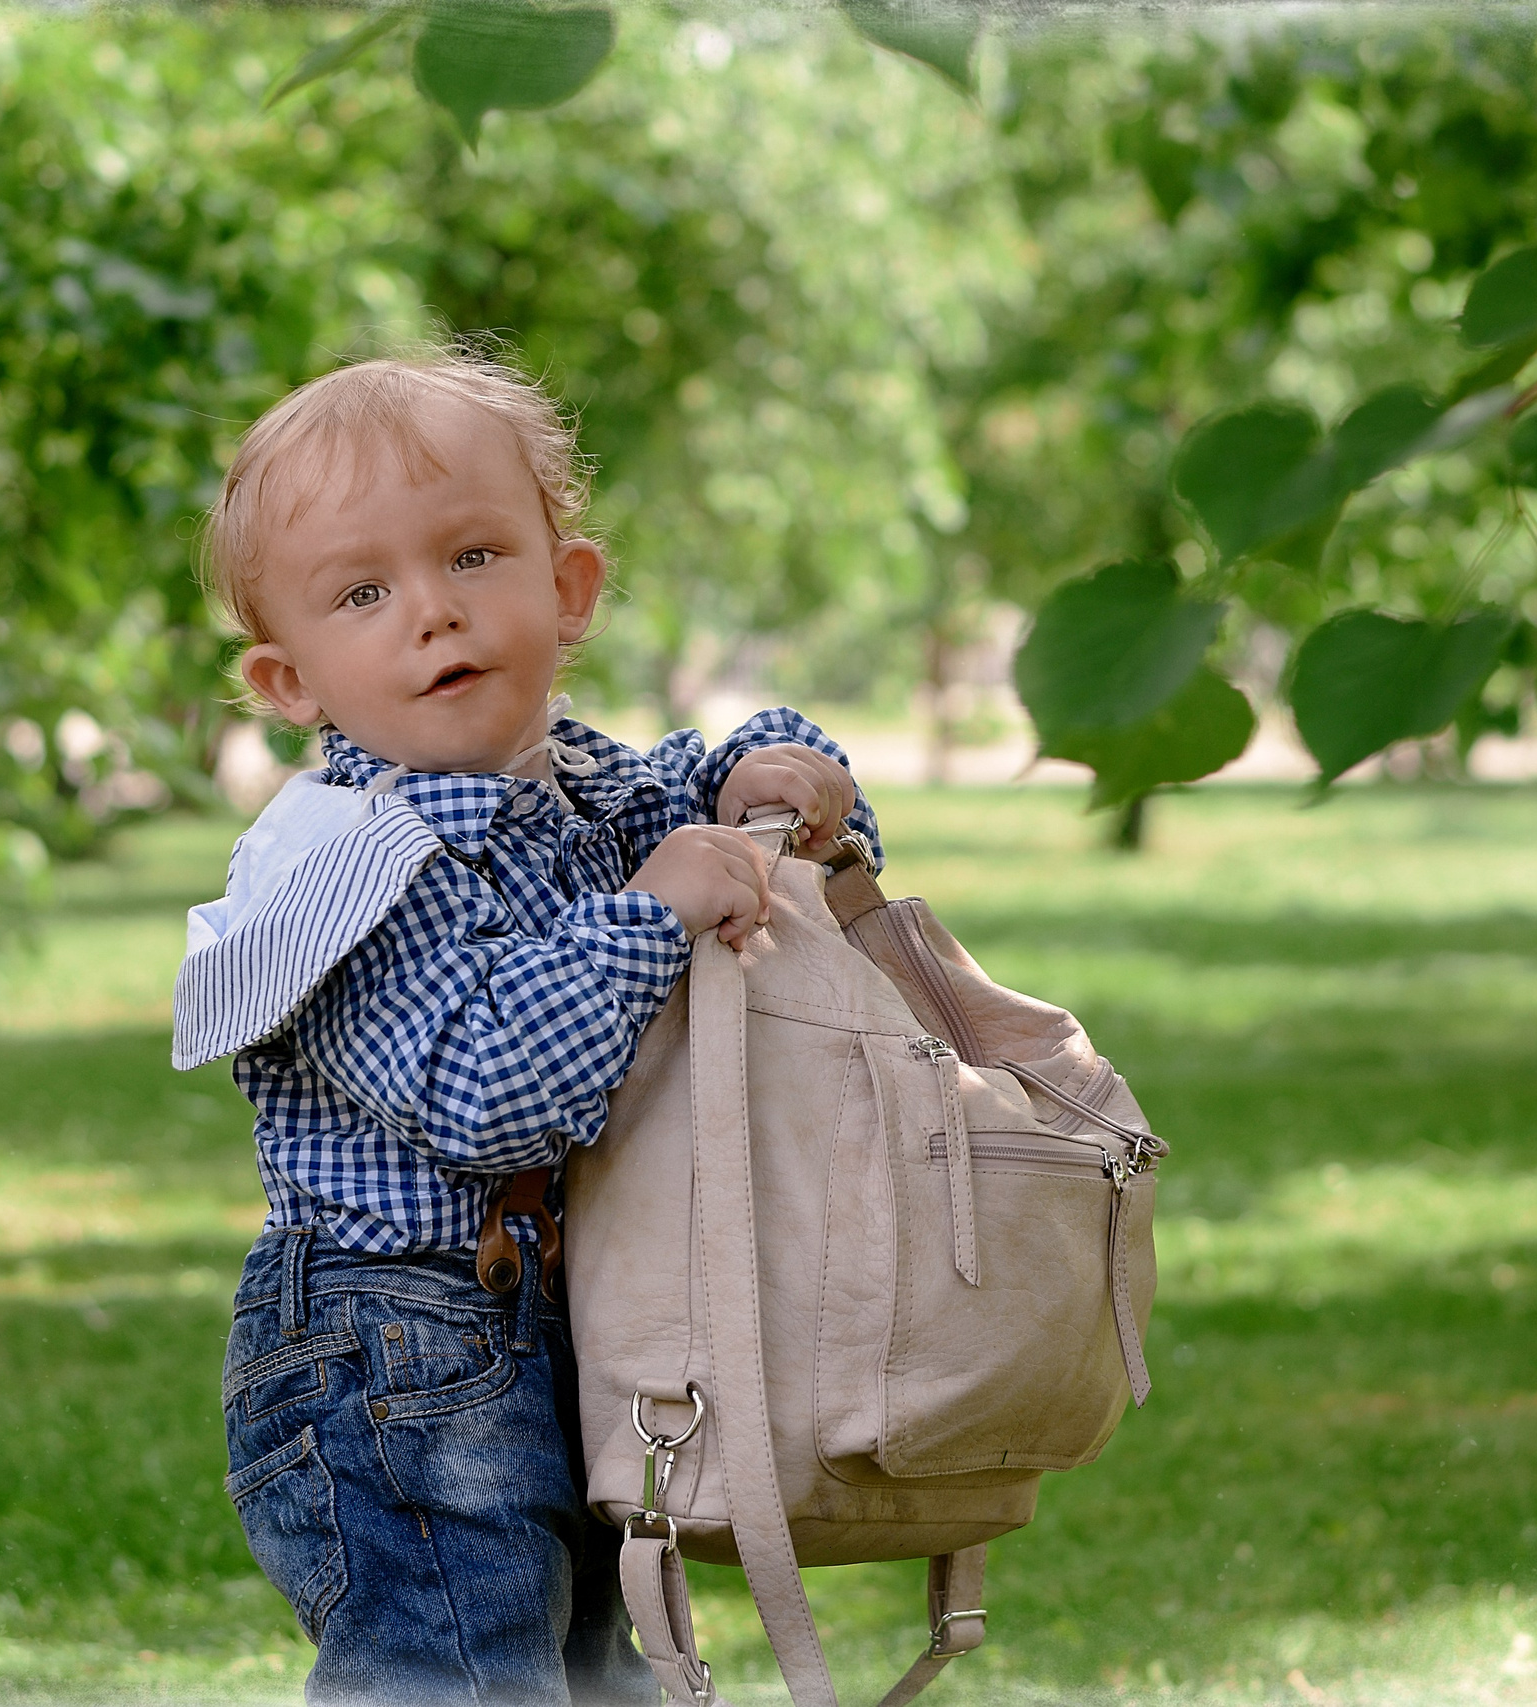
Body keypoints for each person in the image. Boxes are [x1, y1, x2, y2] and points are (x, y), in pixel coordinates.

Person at [172, 345, 882, 1705]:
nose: (431, 614)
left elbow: (736, 796)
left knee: (590, 1667)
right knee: (459, 1671)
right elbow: (489, 1090)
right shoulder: (347, 864)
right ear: (290, 682)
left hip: (560, 1323)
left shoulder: (597, 787)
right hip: (396, 1352)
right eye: (363, 592)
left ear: (569, 592)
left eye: (474, 558)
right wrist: (655, 914)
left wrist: (782, 775)